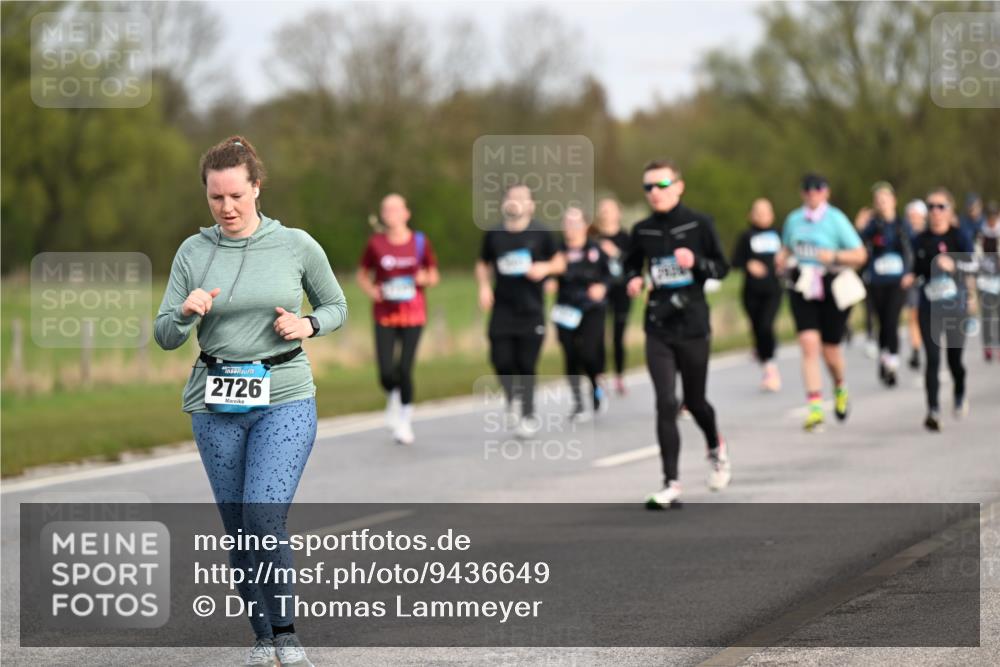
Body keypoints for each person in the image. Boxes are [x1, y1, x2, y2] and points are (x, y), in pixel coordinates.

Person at [154, 136, 347, 667]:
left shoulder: (296, 245)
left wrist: (307, 324)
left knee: (263, 514)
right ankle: (262, 639)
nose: (227, 207)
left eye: (236, 195)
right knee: (239, 526)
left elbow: (336, 305)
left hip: (284, 394)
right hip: (214, 402)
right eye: (216, 197)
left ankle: (287, 635)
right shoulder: (193, 252)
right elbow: (164, 334)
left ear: (257, 187)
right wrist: (185, 314)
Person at [622, 159, 730, 509]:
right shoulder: (642, 230)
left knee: (695, 402)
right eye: (648, 187)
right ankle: (670, 483)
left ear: (679, 187)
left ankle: (715, 447)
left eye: (662, 185)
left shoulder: (699, 223)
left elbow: (722, 268)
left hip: (693, 324)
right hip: (658, 325)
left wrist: (695, 262)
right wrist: (632, 280)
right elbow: (629, 265)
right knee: (666, 402)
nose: (655, 192)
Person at [775, 173, 867, 432]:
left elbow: (860, 255)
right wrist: (781, 257)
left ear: (826, 192)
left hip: (832, 285)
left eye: (817, 188)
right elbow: (787, 247)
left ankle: (840, 386)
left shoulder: (836, 219)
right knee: (808, 345)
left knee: (830, 352)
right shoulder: (794, 219)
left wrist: (834, 256)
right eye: (807, 188)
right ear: (802, 192)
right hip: (802, 284)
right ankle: (815, 409)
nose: (812, 193)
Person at [476, 184, 566, 437]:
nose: (514, 202)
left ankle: (528, 413)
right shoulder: (494, 234)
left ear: (531, 205)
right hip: (502, 308)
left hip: (531, 309)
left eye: (521, 198)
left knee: (526, 363)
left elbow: (560, 262)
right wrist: (484, 287)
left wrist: (545, 268)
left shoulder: (541, 233)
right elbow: (483, 263)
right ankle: (512, 398)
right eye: (511, 197)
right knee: (501, 360)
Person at [357, 194, 439, 445]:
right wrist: (372, 291)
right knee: (385, 372)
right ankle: (392, 394)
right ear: (382, 215)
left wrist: (424, 279)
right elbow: (362, 274)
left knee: (404, 368)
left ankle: (404, 420)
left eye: (396, 209)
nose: (391, 214)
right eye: (387, 210)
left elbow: (434, 274)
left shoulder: (420, 242)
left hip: (413, 313)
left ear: (406, 213)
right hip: (385, 314)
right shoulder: (376, 243)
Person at [912, 187, 974, 431]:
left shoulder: (959, 236)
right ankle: (933, 410)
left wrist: (954, 263)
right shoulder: (920, 239)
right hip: (929, 307)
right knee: (933, 359)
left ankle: (959, 391)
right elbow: (914, 268)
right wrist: (909, 276)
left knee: (954, 359)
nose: (935, 211)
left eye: (941, 207)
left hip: (955, 307)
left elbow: (975, 264)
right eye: (931, 207)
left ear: (950, 210)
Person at [554, 206, 611, 420]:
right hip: (566, 308)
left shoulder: (595, 250)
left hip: (591, 308)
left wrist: (602, 287)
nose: (571, 227)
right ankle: (578, 402)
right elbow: (546, 271)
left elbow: (612, 274)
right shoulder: (557, 251)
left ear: (585, 225)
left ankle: (596, 388)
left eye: (576, 223)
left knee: (588, 352)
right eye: (567, 223)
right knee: (570, 354)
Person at [856, 182, 915, 387]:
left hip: (898, 281)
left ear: (893, 201)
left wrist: (909, 272)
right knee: (881, 321)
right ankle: (884, 356)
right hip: (877, 281)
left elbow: (911, 249)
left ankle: (893, 361)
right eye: (878, 200)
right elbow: (857, 246)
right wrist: (859, 228)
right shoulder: (873, 225)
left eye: (885, 199)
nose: (882, 203)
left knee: (892, 319)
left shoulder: (902, 225)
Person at [730, 198, 783, 392]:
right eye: (758, 212)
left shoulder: (779, 235)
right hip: (751, 292)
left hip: (773, 290)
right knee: (757, 328)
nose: (762, 216)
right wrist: (748, 264)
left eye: (765, 212)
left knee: (766, 325)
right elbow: (734, 261)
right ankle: (766, 363)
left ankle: (771, 367)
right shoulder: (746, 236)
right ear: (751, 215)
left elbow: (789, 257)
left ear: (772, 215)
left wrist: (783, 263)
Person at [594, 197, 633, 396]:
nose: (606, 213)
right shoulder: (593, 238)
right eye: (602, 210)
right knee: (597, 335)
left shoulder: (627, 238)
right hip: (600, 291)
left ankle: (619, 376)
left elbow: (634, 263)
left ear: (619, 213)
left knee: (618, 336)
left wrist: (616, 253)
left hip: (621, 291)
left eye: (609, 209)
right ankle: (599, 377)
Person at [904, 199, 928, 369]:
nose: (913, 219)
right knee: (913, 315)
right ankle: (916, 349)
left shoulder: (929, 233)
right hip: (912, 281)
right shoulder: (904, 235)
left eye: (916, 215)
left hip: (928, 280)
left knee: (928, 316)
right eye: (910, 216)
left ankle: (929, 345)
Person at [975, 201, 1000, 361]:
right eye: (989, 216)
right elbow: (976, 255)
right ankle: (987, 346)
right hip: (985, 279)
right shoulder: (981, 233)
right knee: (986, 315)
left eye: (994, 216)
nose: (992, 219)